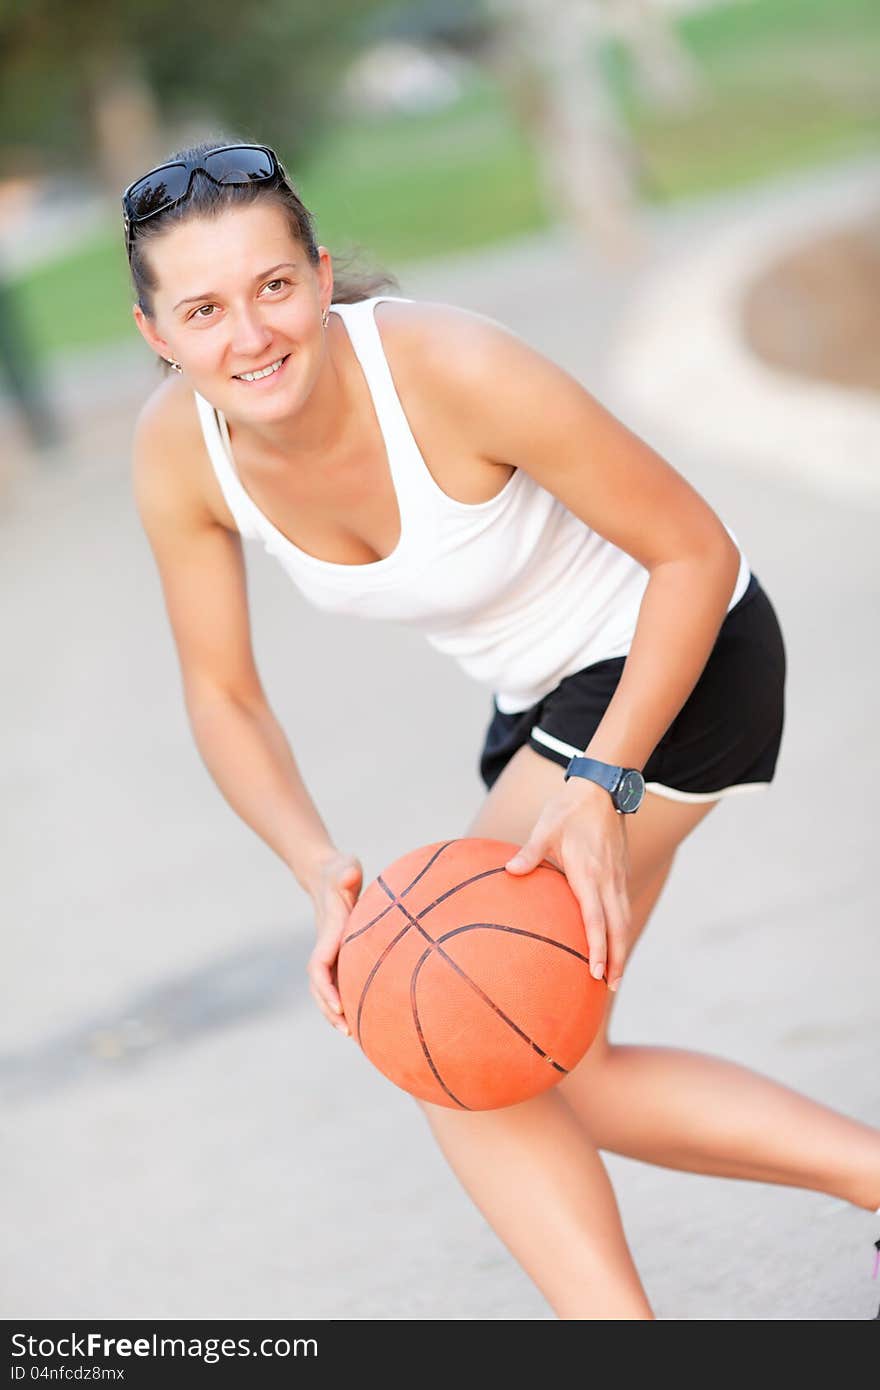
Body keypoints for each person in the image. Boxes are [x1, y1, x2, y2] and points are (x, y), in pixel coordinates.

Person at [124, 138, 880, 1319]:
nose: (250, 335)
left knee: (449, 1010)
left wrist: (605, 779)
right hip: (542, 706)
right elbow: (222, 694)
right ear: (156, 335)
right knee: (558, 1072)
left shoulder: (451, 367)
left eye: (272, 287)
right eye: (205, 309)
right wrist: (319, 866)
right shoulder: (181, 448)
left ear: (320, 277)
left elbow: (696, 553)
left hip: (677, 656)